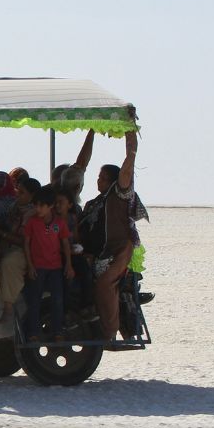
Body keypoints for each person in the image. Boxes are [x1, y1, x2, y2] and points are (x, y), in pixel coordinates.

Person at [78, 131, 145, 339]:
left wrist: (131, 140)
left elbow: (127, 169)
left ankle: (109, 334)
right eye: (98, 177)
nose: (98, 180)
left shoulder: (119, 195)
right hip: (93, 255)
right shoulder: (92, 203)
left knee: (104, 285)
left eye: (103, 177)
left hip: (116, 254)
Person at [22, 186, 74, 341]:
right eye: (36, 205)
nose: (38, 209)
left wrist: (69, 265)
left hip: (55, 267)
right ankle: (33, 332)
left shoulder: (60, 223)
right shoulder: (32, 223)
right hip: (38, 267)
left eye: (41, 206)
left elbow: (65, 244)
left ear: (50, 206)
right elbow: (26, 244)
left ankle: (57, 331)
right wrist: (30, 265)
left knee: (57, 299)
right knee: (34, 299)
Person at [0, 177, 40, 323]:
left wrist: (1, 233)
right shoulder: (13, 207)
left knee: (9, 263)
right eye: (17, 191)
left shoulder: (34, 213)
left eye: (22, 193)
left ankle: (8, 307)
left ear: (32, 196)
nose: (17, 195)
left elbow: (24, 241)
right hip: (8, 244)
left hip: (27, 250)